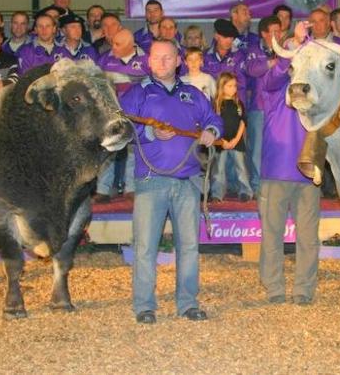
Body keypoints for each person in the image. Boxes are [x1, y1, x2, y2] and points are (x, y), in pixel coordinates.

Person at [120, 38, 222, 324]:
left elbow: (214, 117)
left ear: (178, 61)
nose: (161, 63)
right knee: (145, 247)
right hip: (151, 181)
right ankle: (144, 307)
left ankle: (188, 303)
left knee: (189, 246)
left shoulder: (192, 93)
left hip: (187, 181)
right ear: (148, 61)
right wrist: (149, 134)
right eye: (156, 58)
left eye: (168, 58)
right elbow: (121, 126)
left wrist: (212, 130)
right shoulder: (136, 94)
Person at [258, 20, 321, 305]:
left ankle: (303, 290)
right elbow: (277, 73)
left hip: (308, 170)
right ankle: (274, 288)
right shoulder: (273, 83)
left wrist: (305, 45)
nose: (298, 54)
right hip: (276, 172)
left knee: (308, 238)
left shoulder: (315, 88)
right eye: (291, 50)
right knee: (272, 235)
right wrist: (293, 44)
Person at [95, 29, 148, 202]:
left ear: (130, 45)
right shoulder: (104, 60)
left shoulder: (146, 61)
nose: (113, 47)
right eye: (113, 43)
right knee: (109, 150)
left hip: (137, 114)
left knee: (134, 152)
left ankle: (131, 188)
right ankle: (102, 190)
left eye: (118, 44)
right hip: (112, 114)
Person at [245, 16, 282, 196]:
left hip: (280, 109)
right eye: (273, 32)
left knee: (278, 147)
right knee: (257, 149)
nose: (277, 35)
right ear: (264, 34)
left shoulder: (285, 50)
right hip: (259, 106)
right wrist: (272, 62)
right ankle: (257, 185)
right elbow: (252, 70)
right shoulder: (253, 49)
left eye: (279, 31)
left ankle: (276, 185)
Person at [210, 72, 252, 202]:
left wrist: (236, 139)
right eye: (229, 86)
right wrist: (221, 141)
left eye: (234, 86)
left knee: (241, 167)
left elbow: (243, 122)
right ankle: (217, 193)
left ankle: (245, 191)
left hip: (236, 141)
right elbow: (212, 124)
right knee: (219, 169)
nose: (233, 89)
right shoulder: (216, 104)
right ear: (221, 87)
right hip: (220, 142)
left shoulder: (239, 103)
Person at [202, 19, 248, 104]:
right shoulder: (206, 56)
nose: (229, 41)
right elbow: (204, 85)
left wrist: (240, 108)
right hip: (212, 106)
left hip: (233, 105)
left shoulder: (239, 55)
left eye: (231, 37)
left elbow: (241, 84)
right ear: (216, 36)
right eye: (225, 37)